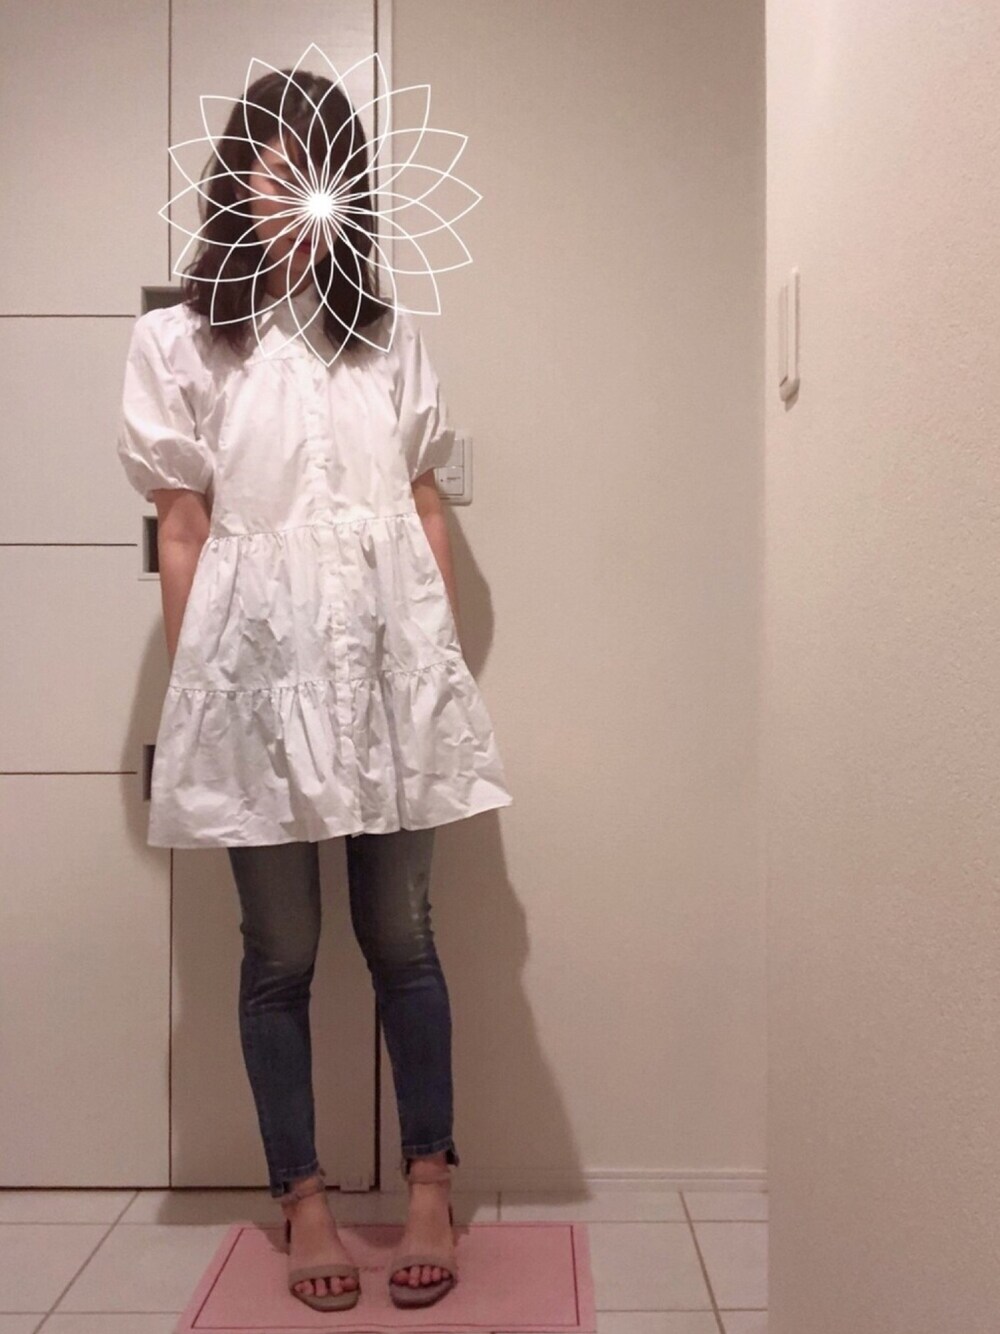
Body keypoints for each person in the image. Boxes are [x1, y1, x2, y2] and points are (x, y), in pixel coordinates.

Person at [115, 67, 512, 1314]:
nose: (295, 196)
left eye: (322, 171)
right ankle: (304, 1199)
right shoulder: (180, 339)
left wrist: (433, 663)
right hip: (255, 683)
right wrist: (206, 696)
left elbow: (424, 503)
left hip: (388, 674)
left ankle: (431, 1180)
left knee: (404, 938)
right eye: (275, 169)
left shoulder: (384, 337)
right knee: (280, 951)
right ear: (237, 180)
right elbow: (183, 524)